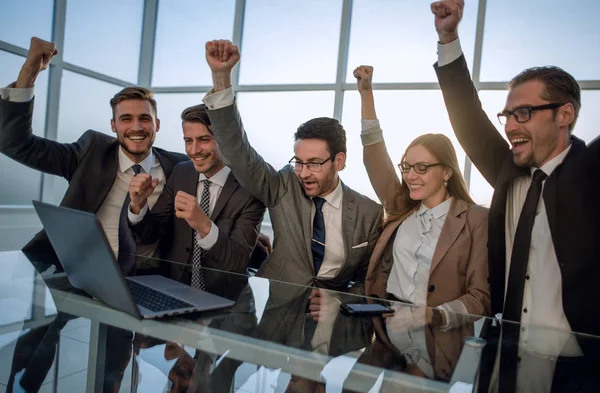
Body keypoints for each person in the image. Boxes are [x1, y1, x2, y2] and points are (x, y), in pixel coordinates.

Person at [431, 1, 600, 392]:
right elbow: (466, 115)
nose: (509, 126)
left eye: (522, 113)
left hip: (576, 371)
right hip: (501, 356)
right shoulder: (507, 169)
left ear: (564, 115)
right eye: (506, 115)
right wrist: (448, 37)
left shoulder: (590, 173)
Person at [199, 39, 383, 392]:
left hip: (327, 328)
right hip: (272, 313)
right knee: (226, 379)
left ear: (339, 162)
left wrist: (339, 300)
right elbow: (238, 153)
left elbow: (368, 283)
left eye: (314, 163)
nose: (304, 172)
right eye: (299, 161)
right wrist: (222, 79)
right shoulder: (283, 185)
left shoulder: (369, 213)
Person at [0, 37, 188, 276]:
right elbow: (14, 144)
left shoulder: (179, 167)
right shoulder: (90, 153)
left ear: (157, 124)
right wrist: (29, 73)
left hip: (153, 279)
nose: (136, 127)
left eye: (145, 119)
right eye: (126, 119)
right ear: (113, 125)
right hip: (88, 278)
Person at [350, 65, 490, 381]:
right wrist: (366, 93)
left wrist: (430, 314)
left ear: (447, 172)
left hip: (437, 339)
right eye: (407, 166)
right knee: (349, 387)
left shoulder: (476, 220)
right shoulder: (402, 206)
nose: (410, 175)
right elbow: (374, 154)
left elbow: (480, 298)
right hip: (386, 332)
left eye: (422, 167)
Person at [128, 104, 266, 287]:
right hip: (175, 290)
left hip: (226, 302)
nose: (193, 150)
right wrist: (138, 206)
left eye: (203, 139)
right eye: (188, 140)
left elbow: (236, 263)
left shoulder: (250, 189)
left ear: (225, 141)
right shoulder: (181, 173)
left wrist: (204, 225)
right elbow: (153, 234)